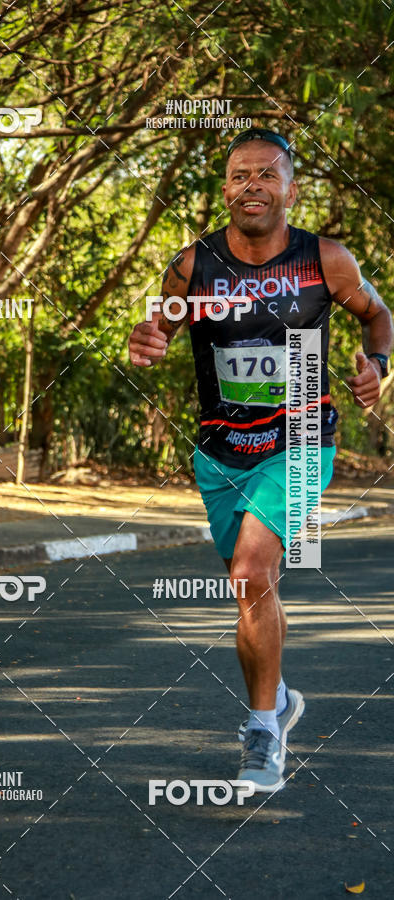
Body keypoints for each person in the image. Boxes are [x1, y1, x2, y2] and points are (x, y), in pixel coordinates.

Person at [128, 128, 393, 793]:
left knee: (251, 570)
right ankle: (277, 704)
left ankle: (263, 732)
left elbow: (379, 315)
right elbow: (161, 323)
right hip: (220, 452)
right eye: (241, 175)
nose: (253, 186)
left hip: (303, 441)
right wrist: (150, 337)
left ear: (291, 190)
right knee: (249, 592)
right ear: (225, 189)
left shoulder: (325, 261)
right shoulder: (193, 265)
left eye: (267, 175)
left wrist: (380, 367)